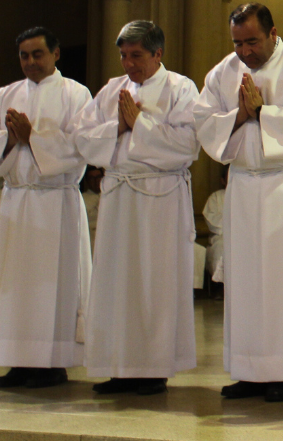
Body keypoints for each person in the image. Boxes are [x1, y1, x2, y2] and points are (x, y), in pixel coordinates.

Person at [193, 3, 283, 403]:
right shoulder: (223, 72)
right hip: (245, 187)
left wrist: (263, 112)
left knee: (282, 282)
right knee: (246, 283)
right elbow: (204, 123)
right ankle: (248, 368)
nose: (245, 52)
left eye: (252, 41)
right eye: (237, 42)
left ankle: (281, 372)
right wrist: (237, 116)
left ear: (273, 33)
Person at [74, 21, 199, 396]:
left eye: (137, 56)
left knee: (153, 282)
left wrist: (138, 125)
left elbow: (189, 145)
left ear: (157, 54)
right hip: (120, 195)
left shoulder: (181, 89)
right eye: (124, 56)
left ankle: (152, 368)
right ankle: (118, 366)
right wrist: (117, 126)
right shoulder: (112, 89)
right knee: (116, 282)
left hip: (160, 198)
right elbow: (83, 137)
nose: (129, 64)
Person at [0, 27, 93, 389]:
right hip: (17, 201)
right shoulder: (4, 95)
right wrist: (10, 139)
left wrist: (33, 139)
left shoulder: (76, 94)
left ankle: (53, 362)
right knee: (15, 286)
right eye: (24, 55)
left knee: (54, 284)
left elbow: (82, 143)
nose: (30, 62)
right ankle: (17, 360)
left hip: (56, 200)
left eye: (37, 54)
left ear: (56, 54)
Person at [202, 165, 228, 284]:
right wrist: (232, 226)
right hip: (222, 236)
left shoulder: (249, 196)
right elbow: (211, 218)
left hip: (247, 235)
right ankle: (221, 286)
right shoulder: (216, 197)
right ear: (223, 180)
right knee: (222, 249)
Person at [81, 166, 104, 252]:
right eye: (91, 178)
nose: (95, 181)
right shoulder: (83, 199)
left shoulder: (109, 197)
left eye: (98, 177)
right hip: (91, 239)